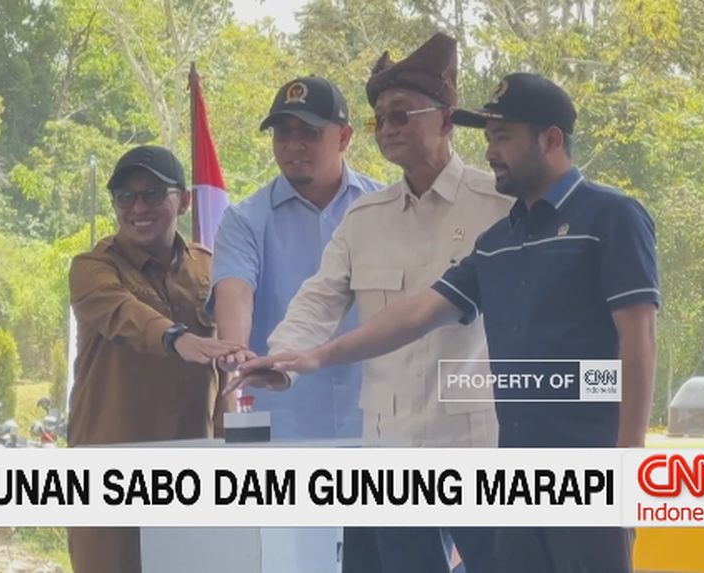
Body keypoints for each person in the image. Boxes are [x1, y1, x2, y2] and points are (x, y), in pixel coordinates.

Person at [237, 73, 659, 573]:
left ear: (550, 140)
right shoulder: (499, 239)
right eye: (489, 139)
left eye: (502, 137)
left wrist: (628, 458)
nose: (492, 152)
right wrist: (310, 356)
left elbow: (638, 340)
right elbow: (414, 313)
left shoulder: (603, 215)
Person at [226, 33, 509, 573]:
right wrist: (283, 358)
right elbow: (318, 300)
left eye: (402, 115)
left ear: (447, 120)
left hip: (476, 446)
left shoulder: (499, 205)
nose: (389, 129)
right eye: (380, 118)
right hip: (389, 450)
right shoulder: (366, 218)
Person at [209, 75, 383, 571]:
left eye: (309, 132)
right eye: (283, 133)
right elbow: (234, 289)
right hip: (286, 437)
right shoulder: (245, 219)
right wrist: (237, 350)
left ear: (344, 137)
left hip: (376, 431)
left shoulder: (384, 209)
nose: (293, 145)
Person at [66, 145, 242, 573]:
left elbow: (226, 372)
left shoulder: (208, 268)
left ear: (183, 201)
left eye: (153, 194)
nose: (138, 208)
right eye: (125, 197)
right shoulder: (93, 268)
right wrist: (175, 337)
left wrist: (230, 448)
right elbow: (123, 312)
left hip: (192, 474)